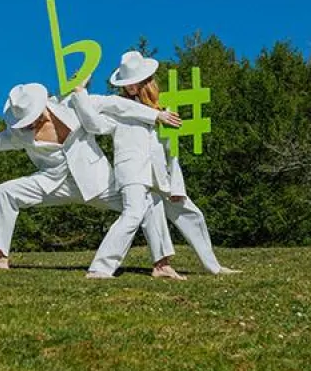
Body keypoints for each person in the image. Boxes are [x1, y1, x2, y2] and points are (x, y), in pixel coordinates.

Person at [0, 82, 185, 278]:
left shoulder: (71, 105)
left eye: (31, 116)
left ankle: (161, 265)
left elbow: (116, 104)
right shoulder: (21, 133)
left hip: (96, 180)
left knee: (150, 201)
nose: (29, 123)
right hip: (53, 183)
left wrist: (156, 116)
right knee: (5, 192)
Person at [72, 51, 241, 278]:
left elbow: (172, 153)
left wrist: (177, 184)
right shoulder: (118, 108)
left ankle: (198, 266)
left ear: (146, 80)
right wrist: (80, 92)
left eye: (135, 81)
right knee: (133, 213)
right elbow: (94, 123)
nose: (131, 86)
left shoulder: (165, 110)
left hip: (159, 174)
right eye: (127, 82)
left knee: (191, 213)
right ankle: (100, 269)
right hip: (131, 171)